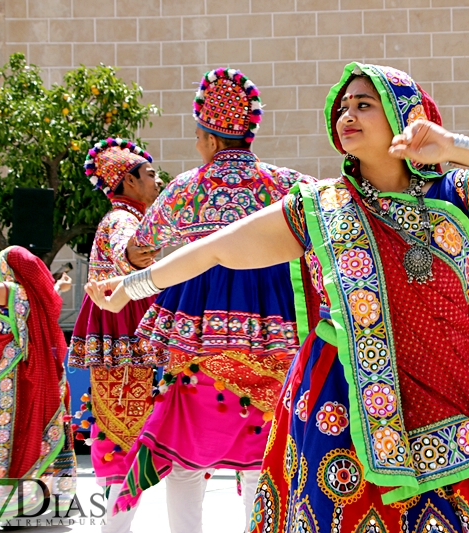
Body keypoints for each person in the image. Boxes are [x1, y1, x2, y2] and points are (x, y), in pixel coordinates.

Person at [87, 62, 469, 532]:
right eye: (342, 107)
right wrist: (130, 287)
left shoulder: (455, 194)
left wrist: (454, 145)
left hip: (451, 401)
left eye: (364, 104)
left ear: (405, 113)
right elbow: (218, 249)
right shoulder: (320, 205)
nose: (347, 115)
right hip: (341, 400)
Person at [101, 68, 311, 533]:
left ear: (211, 139)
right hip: (273, 334)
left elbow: (141, 247)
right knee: (263, 446)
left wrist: (129, 262)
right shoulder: (289, 184)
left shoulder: (185, 187)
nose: (197, 146)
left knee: (184, 450)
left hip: (199, 339)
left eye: (198, 137)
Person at [67, 138, 164, 533]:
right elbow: (131, 251)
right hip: (123, 336)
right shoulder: (122, 220)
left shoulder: (128, 216)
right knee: (127, 435)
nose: (158, 180)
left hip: (123, 335)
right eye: (151, 174)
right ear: (128, 180)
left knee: (125, 432)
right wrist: (141, 255)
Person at [0, 246, 76, 524]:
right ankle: (24, 501)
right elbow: (53, 297)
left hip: (9, 382)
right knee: (28, 434)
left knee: (1, 434)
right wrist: (61, 285)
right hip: (36, 379)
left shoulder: (9, 291)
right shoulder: (39, 297)